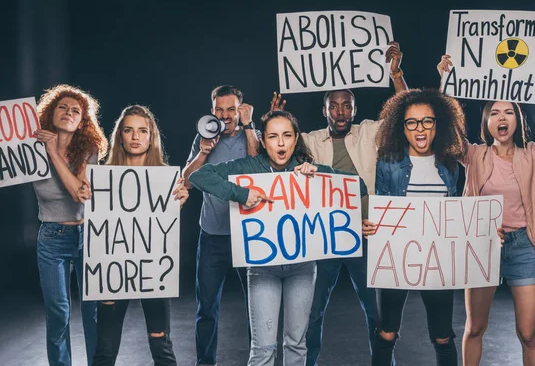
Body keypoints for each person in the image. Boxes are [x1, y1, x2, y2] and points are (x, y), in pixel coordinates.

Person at [188, 110, 371, 366]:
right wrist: (240, 193)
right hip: (263, 269)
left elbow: (358, 185)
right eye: (273, 137)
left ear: (296, 138)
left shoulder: (307, 169)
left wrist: (319, 174)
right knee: (263, 348)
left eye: (287, 135)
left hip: (303, 269)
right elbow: (197, 176)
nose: (281, 143)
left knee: (296, 345)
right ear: (263, 141)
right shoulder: (249, 166)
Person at [270, 42, 408, 365]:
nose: (341, 111)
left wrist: (395, 73)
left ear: (354, 110)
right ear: (325, 111)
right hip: (326, 239)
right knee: (312, 314)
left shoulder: (369, 133)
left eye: (347, 105)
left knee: (377, 316)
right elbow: (279, 143)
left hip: (364, 237)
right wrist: (274, 115)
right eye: (334, 106)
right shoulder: (311, 140)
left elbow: (404, 111)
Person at [438, 55, 535, 366]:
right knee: (475, 328)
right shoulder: (473, 155)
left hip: (524, 248)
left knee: (529, 334)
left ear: (518, 121)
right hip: (481, 246)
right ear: (487, 123)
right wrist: (446, 83)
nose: (502, 118)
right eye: (495, 113)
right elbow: (447, 132)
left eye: (509, 112)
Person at [369, 89, 467, 366]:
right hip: (397, 258)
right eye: (412, 122)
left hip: (436, 261)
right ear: (402, 127)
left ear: (438, 124)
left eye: (427, 121)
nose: (420, 128)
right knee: (386, 333)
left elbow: (455, 213)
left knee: (443, 336)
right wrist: (372, 226)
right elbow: (383, 209)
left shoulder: (449, 165)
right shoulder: (388, 164)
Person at [85, 105, 189, 366]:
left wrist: (178, 202)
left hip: (152, 269)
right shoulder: (101, 177)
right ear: (120, 135)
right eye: (128, 130)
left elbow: (164, 229)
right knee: (105, 350)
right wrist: (87, 195)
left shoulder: (166, 179)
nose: (135, 136)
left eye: (142, 131)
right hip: (113, 269)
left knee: (161, 344)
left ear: (151, 136)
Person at [182, 85, 259, 366]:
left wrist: (250, 126)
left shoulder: (253, 135)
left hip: (249, 233)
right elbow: (187, 181)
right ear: (211, 110)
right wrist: (203, 153)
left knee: (256, 308)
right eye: (219, 109)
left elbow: (257, 167)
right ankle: (205, 362)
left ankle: (259, 360)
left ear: (241, 109)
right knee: (207, 307)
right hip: (213, 234)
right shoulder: (203, 137)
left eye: (231, 109)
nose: (224, 115)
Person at [32, 84, 108, 366]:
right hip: (52, 237)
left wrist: (53, 153)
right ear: (50, 113)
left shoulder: (87, 150)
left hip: (87, 234)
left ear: (82, 122)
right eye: (62, 107)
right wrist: (46, 149)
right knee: (58, 314)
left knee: (94, 313)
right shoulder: (30, 150)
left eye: (76, 111)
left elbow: (80, 192)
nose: (68, 112)